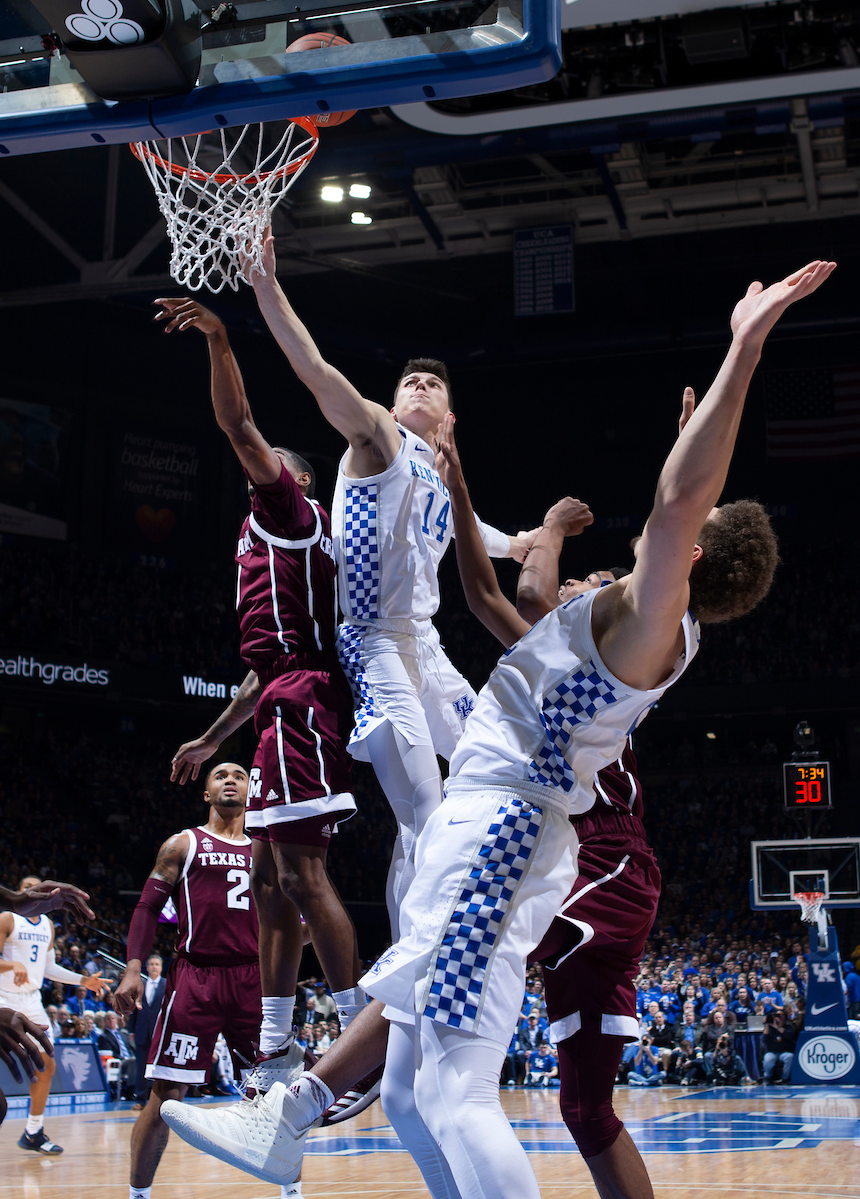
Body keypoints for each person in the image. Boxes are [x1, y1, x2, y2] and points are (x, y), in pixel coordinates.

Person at [161, 260, 832, 1194]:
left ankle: (291, 1104)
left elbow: (680, 501)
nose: (670, 515)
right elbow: (488, 589)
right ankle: (293, 1108)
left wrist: (743, 350)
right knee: (415, 1092)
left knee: (460, 1094)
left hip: (505, 826)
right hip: (486, 818)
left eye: (692, 522)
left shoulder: (652, 623)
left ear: (695, 552)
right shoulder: (627, 615)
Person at [246, 234, 536, 937]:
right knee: (423, 814)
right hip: (373, 647)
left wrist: (534, 540)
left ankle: (481, 920)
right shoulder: (378, 436)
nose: (419, 387)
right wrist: (265, 286)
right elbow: (316, 371)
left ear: (451, 416)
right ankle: (416, 959)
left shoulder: (442, 478)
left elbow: (491, 537)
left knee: (505, 763)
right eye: (411, 383)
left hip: (426, 649)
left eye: (433, 385)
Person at [157, 297, 363, 1092]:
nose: (259, 463)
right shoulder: (261, 535)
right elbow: (259, 674)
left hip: (304, 700)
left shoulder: (290, 510)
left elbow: (238, 424)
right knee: (275, 883)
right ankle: (277, 1045)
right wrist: (215, 737)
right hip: (283, 693)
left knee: (303, 878)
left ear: (298, 479)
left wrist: (218, 338)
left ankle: (358, 1037)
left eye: (276, 461)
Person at [112, 762, 263, 1199]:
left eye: (239, 775)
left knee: (275, 1093)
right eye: (220, 775)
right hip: (195, 977)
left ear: (251, 791)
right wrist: (134, 967)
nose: (230, 779)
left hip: (254, 980)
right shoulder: (183, 843)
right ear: (206, 793)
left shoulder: (267, 851)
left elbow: (297, 922)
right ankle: (138, 1194)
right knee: (166, 1094)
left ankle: (291, 1189)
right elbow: (146, 907)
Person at [0, 876, 110, 1154]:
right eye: (26, 888)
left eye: (35, 887)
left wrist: (83, 981)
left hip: (31, 1000)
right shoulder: (7, 919)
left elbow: (48, 968)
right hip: (3, 999)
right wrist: (11, 965)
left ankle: (33, 1131)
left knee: (47, 1065)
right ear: (19, 893)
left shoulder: (47, 925)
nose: (31, 891)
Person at [128, 954, 166, 1109]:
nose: (154, 967)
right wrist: (131, 1030)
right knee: (141, 1066)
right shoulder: (140, 984)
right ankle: (140, 1099)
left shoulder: (167, 985)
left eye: (157, 964)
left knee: (160, 1067)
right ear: (147, 967)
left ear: (161, 967)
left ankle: (159, 1101)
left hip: (160, 1033)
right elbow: (133, 1010)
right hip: (142, 1031)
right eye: (151, 964)